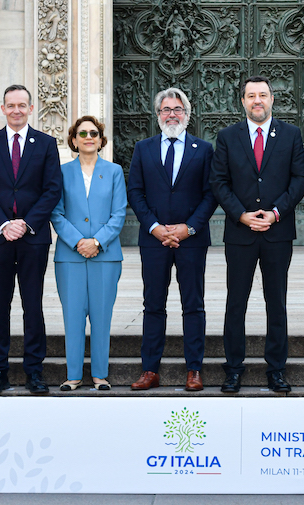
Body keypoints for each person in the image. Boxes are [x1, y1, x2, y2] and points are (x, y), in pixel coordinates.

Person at [210, 76, 304, 394]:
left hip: (277, 232)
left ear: (272, 100)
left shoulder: (291, 135)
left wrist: (276, 211)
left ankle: (276, 370)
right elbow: (219, 181)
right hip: (240, 232)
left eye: (263, 95)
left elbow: (299, 179)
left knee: (276, 302)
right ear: (242, 101)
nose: (257, 100)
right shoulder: (227, 136)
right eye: (251, 95)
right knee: (235, 303)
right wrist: (241, 214)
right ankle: (233, 369)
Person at [0, 84, 63, 395]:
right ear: (3, 109)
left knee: (32, 305)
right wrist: (3, 224)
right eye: (10, 105)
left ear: (31, 108)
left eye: (22, 105)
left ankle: (34, 372)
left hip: (33, 237)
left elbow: (52, 189)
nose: (16, 110)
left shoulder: (47, 143)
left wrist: (26, 223)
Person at [127, 88, 216, 391]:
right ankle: (150, 369)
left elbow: (210, 194)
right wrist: (155, 227)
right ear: (158, 115)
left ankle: (194, 369)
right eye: (166, 109)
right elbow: (135, 192)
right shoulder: (143, 148)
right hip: (153, 240)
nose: (172, 114)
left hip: (191, 240)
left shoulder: (203, 150)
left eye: (178, 109)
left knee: (193, 305)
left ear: (187, 115)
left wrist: (187, 228)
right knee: (153, 304)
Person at [50, 115, 126, 391]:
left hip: (106, 255)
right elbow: (56, 212)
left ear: (101, 139)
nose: (88, 137)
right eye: (82, 134)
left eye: (94, 133)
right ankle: (72, 375)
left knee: (101, 315)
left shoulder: (114, 171)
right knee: (72, 315)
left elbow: (119, 214)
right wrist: (78, 241)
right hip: (70, 256)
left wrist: (97, 241)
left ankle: (100, 375)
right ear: (73, 140)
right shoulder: (61, 172)